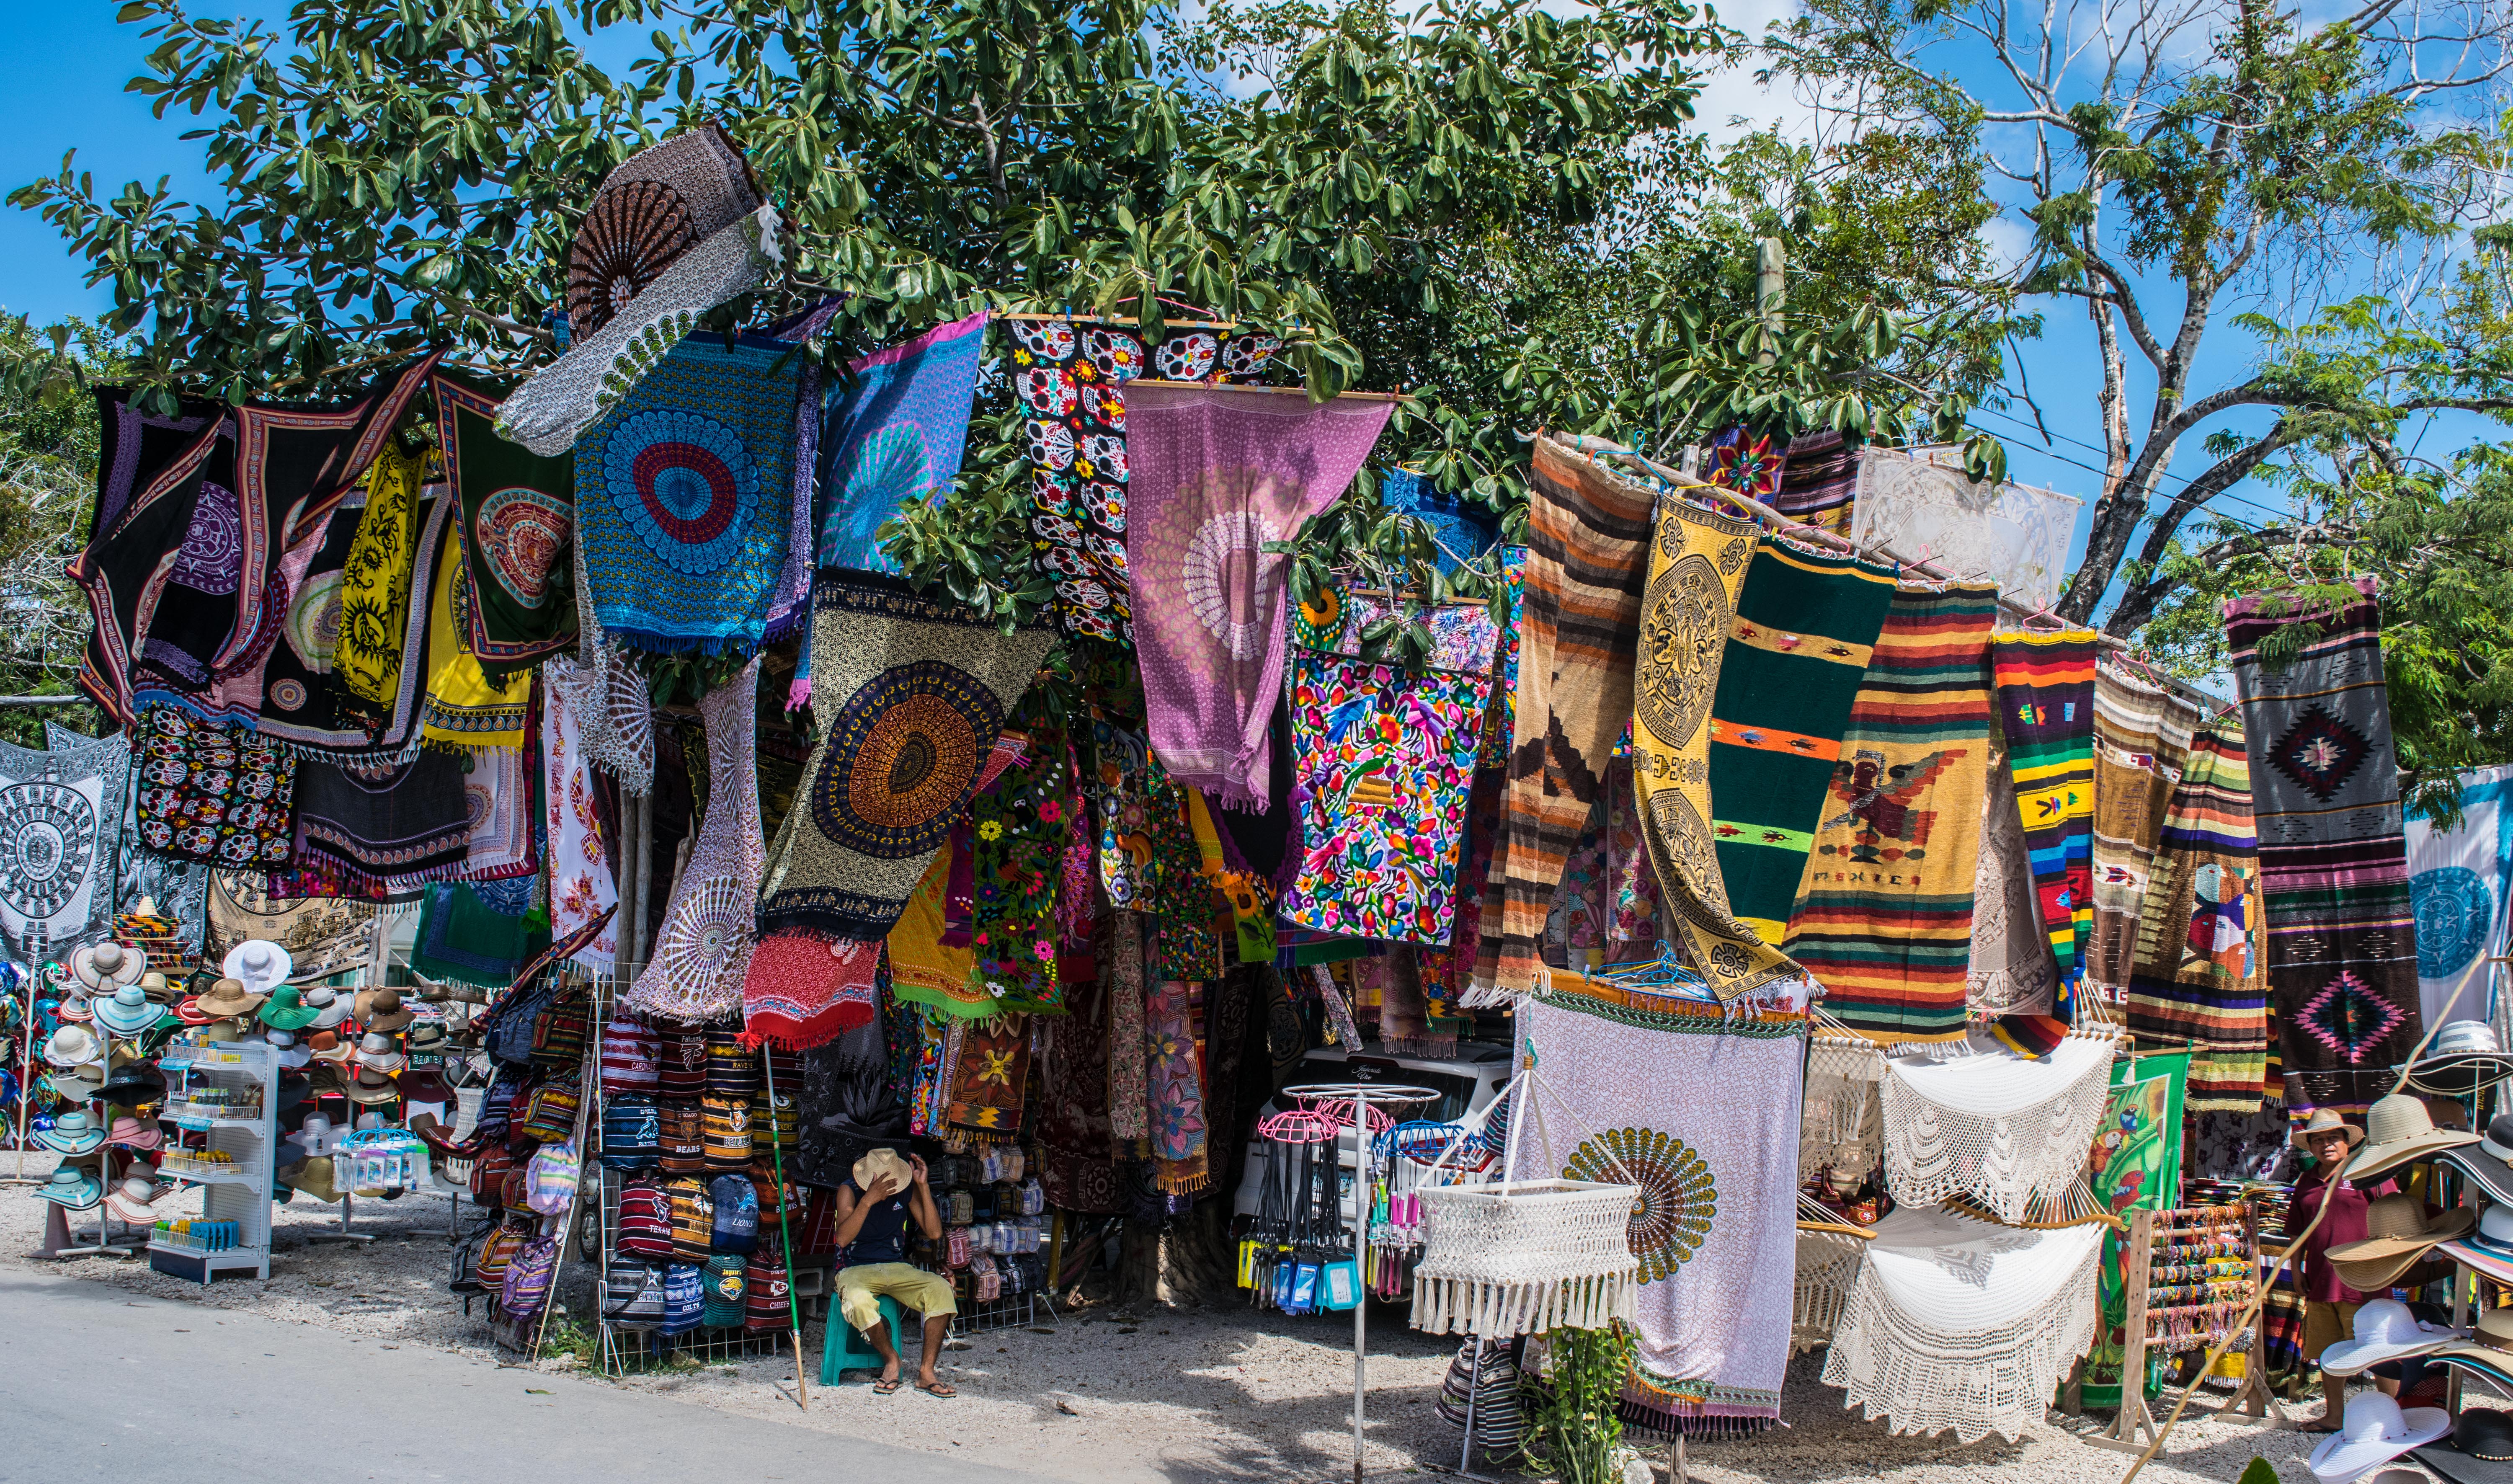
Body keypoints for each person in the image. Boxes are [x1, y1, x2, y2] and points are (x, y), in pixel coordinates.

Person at [2290, 1109, 2397, 1432]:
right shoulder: (2307, 1182)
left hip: (2366, 1280)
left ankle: (2389, 1419)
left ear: (2347, 1141)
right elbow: (2297, 1231)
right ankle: (2334, 1416)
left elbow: (2397, 1219)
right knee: (2330, 1352)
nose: (2326, 1145)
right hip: (2322, 1280)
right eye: (2319, 1139)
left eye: (2333, 1137)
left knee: (2378, 1351)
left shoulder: (2370, 1173)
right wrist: (2297, 1270)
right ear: (2311, 1147)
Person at [831, 1147, 958, 1396]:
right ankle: (891, 1359)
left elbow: (934, 1233)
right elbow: (842, 1239)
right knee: (858, 1301)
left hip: (896, 1266)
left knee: (940, 1289)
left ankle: (926, 1372)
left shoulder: (905, 1190)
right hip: (855, 1267)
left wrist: (923, 1186)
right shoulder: (849, 1190)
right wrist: (868, 1200)